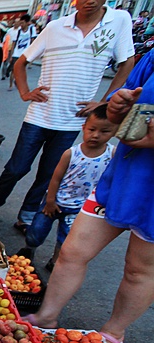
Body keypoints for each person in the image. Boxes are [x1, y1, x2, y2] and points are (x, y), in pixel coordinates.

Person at [24, 51, 154, 343]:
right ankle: (46, 317)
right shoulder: (151, 60)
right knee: (72, 251)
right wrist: (118, 107)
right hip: (123, 173)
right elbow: (116, 112)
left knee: (139, 268)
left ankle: (113, 332)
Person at [0, 0, 135, 230]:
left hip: (73, 119)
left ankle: (27, 214)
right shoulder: (55, 27)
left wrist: (105, 101)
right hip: (39, 115)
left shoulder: (119, 20)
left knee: (48, 173)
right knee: (17, 167)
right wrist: (25, 92)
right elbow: (21, 62)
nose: (89, 1)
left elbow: (127, 62)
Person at [16, 104, 117, 269]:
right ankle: (29, 249)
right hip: (56, 201)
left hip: (80, 207)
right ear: (84, 128)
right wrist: (50, 201)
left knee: (66, 237)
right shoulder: (71, 153)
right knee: (37, 230)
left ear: (115, 132)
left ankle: (55, 260)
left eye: (104, 131)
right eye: (92, 129)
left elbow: (112, 179)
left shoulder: (111, 154)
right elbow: (55, 178)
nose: (96, 135)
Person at [5, 15, 36, 90]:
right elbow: (14, 43)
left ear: (27, 23)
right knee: (13, 69)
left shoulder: (32, 29)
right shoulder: (18, 31)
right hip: (16, 53)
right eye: (20, 23)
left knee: (21, 69)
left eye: (22, 23)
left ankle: (18, 81)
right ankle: (11, 85)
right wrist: (11, 55)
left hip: (25, 54)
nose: (21, 25)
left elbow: (33, 41)